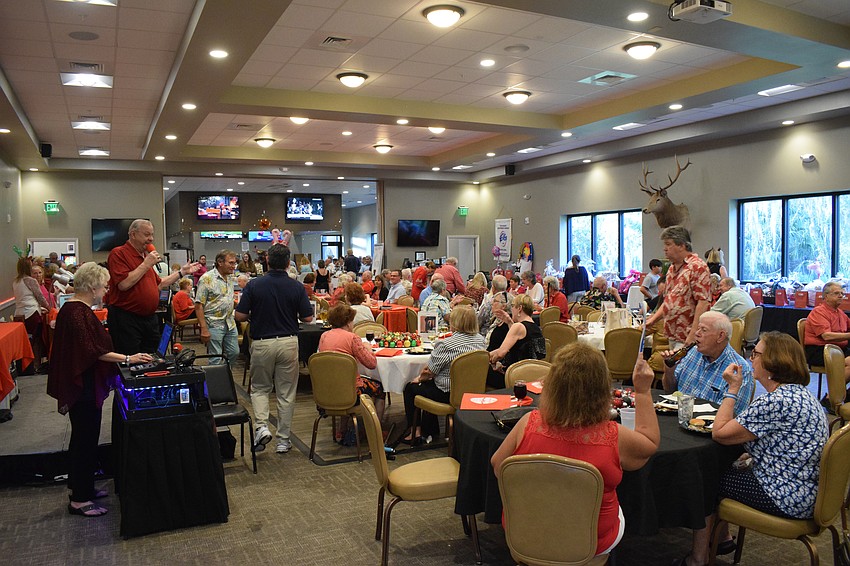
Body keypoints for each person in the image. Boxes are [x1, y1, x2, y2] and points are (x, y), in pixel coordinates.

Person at [491, 344, 660, 556]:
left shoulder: (528, 422)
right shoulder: (614, 435)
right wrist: (643, 391)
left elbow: (499, 466)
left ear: (552, 384)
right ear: (601, 389)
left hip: (525, 533)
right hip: (591, 540)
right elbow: (649, 443)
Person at [677, 332, 829, 566]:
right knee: (727, 468)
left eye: (756, 354)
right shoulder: (801, 396)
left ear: (773, 362)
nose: (751, 359)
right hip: (809, 490)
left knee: (706, 479)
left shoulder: (775, 402)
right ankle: (724, 539)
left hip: (785, 496)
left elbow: (720, 432)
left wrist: (733, 388)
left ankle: (698, 559)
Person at [47, 262, 152, 518]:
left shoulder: (74, 310)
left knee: (85, 439)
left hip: (83, 385)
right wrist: (128, 359)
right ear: (93, 286)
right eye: (104, 286)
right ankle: (80, 500)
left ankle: (82, 489)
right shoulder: (77, 312)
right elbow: (93, 351)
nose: (106, 290)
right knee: (84, 440)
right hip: (82, 388)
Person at [235, 244, 313, 454]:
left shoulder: (254, 285)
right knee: (286, 393)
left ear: (267, 261)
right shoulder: (296, 286)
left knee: (260, 388)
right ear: (288, 263)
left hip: (262, 343)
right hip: (288, 342)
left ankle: (261, 427)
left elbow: (239, 316)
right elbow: (308, 317)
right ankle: (283, 440)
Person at [106, 219, 199, 354]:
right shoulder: (119, 253)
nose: (151, 239)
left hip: (149, 318)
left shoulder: (144, 257)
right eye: (146, 235)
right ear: (133, 234)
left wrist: (182, 272)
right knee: (131, 359)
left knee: (152, 357)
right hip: (126, 319)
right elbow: (123, 284)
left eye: (152, 235)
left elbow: (160, 283)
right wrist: (146, 264)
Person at [401, 305, 483, 443]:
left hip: (448, 393)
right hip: (473, 391)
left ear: (455, 322)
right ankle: (431, 429)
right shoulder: (481, 340)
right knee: (428, 384)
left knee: (410, 388)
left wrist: (419, 378)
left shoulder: (447, 344)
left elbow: (430, 371)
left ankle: (416, 431)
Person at [662, 311, 754, 415]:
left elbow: (733, 416)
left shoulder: (739, 369)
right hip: (680, 417)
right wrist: (669, 370)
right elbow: (670, 391)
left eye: (704, 330)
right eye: (698, 328)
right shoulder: (692, 353)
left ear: (720, 336)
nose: (697, 333)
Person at [318, 304, 386, 429]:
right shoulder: (352, 338)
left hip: (326, 390)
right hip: (351, 392)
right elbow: (371, 364)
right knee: (380, 389)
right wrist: (368, 349)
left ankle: (342, 430)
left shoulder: (324, 336)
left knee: (343, 378)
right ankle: (376, 430)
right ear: (348, 322)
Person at [645, 225, 711, 350]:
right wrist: (652, 320)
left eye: (668, 244)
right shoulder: (671, 269)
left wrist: (693, 334)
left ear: (682, 245)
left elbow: (703, 303)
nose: (665, 249)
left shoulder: (697, 267)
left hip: (688, 336)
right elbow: (668, 301)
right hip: (672, 334)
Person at [195, 250, 239, 367]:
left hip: (230, 323)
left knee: (234, 352)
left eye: (234, 263)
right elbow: (198, 306)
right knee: (215, 358)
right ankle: (215, 383)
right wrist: (203, 328)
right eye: (231, 263)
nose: (234, 266)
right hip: (213, 323)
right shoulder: (207, 279)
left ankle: (224, 376)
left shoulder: (229, 277)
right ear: (220, 262)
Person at [488, 294, 547, 379]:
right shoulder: (536, 328)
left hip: (514, 376)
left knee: (478, 371)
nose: (511, 309)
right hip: (532, 375)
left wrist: (490, 361)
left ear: (519, 308)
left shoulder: (518, 327)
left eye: (512, 306)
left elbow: (500, 353)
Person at [803, 280, 850, 382]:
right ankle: (831, 397)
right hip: (820, 351)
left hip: (838, 349)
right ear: (825, 296)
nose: (841, 296)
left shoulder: (840, 313)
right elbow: (826, 336)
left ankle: (844, 394)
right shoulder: (819, 312)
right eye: (837, 293)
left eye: (842, 293)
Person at [13, 256, 51, 372]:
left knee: (24, 342)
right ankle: (35, 366)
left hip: (19, 314)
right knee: (36, 342)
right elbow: (40, 297)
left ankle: (25, 367)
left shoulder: (16, 281)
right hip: (32, 314)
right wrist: (49, 308)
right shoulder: (30, 281)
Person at [483, 291, 513, 388]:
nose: (492, 303)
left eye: (495, 301)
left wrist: (486, 358)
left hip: (497, 366)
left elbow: (505, 351)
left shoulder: (508, 325)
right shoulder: (496, 320)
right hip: (488, 359)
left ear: (503, 306)